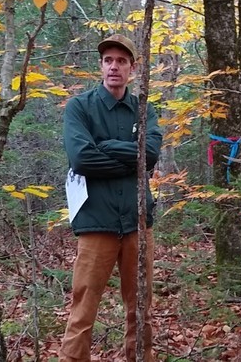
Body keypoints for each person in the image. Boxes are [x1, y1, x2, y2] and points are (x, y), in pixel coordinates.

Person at [59, 34, 162, 362]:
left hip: (137, 223)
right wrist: (132, 159)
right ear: (101, 65)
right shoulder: (80, 107)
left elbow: (151, 154)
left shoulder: (144, 110)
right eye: (108, 60)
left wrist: (105, 145)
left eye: (121, 61)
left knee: (140, 309)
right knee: (82, 311)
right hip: (96, 225)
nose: (114, 66)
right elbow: (81, 159)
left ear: (132, 67)